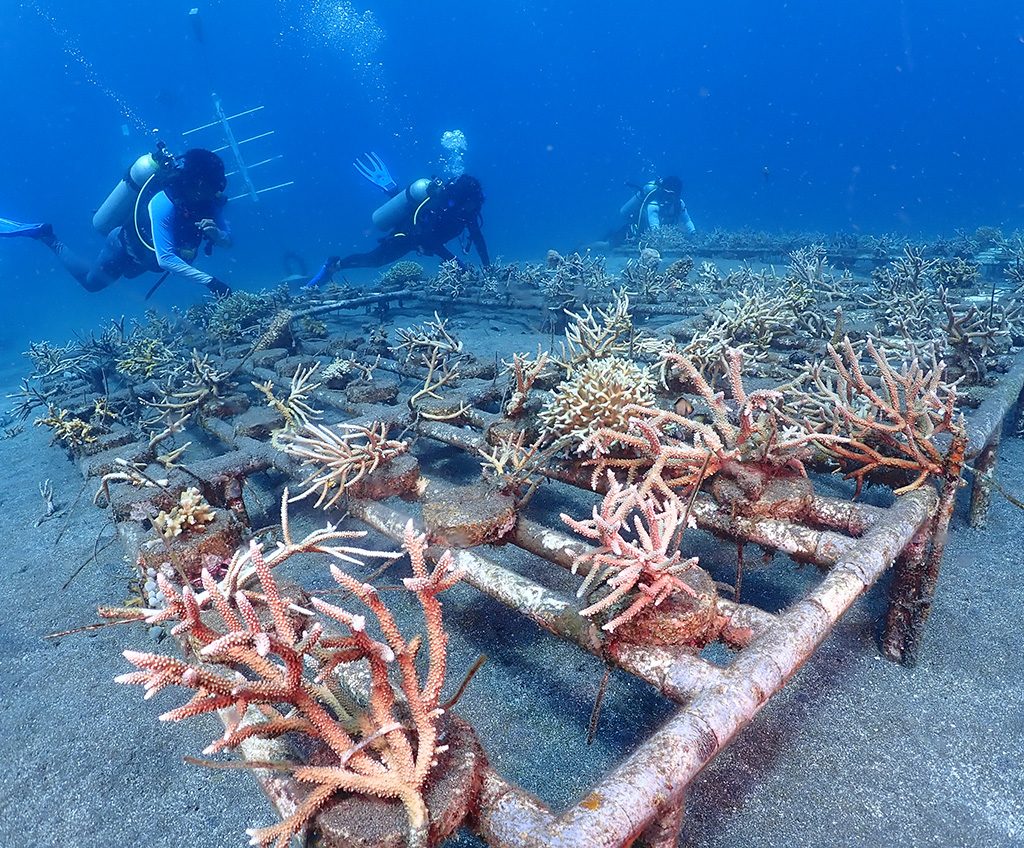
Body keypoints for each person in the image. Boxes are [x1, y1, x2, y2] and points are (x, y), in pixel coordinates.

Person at [2, 147, 232, 297]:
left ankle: (50, 238)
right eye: (212, 185)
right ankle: (47, 237)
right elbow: (166, 259)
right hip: (123, 246)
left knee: (128, 274)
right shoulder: (164, 202)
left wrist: (218, 235)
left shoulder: (210, 202)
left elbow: (228, 241)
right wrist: (211, 282)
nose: (216, 191)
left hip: (143, 258)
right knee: (92, 283)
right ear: (197, 182)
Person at [309, 154, 490, 286]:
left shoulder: (467, 213)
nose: (476, 207)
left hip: (422, 239)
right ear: (464, 200)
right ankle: (334, 265)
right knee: (374, 260)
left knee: (375, 260)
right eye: (474, 202)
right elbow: (430, 240)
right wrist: (456, 262)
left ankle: (392, 190)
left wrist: (488, 268)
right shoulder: (440, 206)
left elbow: (478, 239)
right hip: (407, 236)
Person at [607, 175, 696, 247]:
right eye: (666, 193)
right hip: (631, 233)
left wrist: (694, 234)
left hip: (649, 238)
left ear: (677, 195)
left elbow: (687, 220)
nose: (668, 197)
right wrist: (667, 241)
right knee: (608, 245)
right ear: (662, 191)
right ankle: (597, 245)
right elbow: (655, 228)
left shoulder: (679, 204)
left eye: (671, 194)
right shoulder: (653, 205)